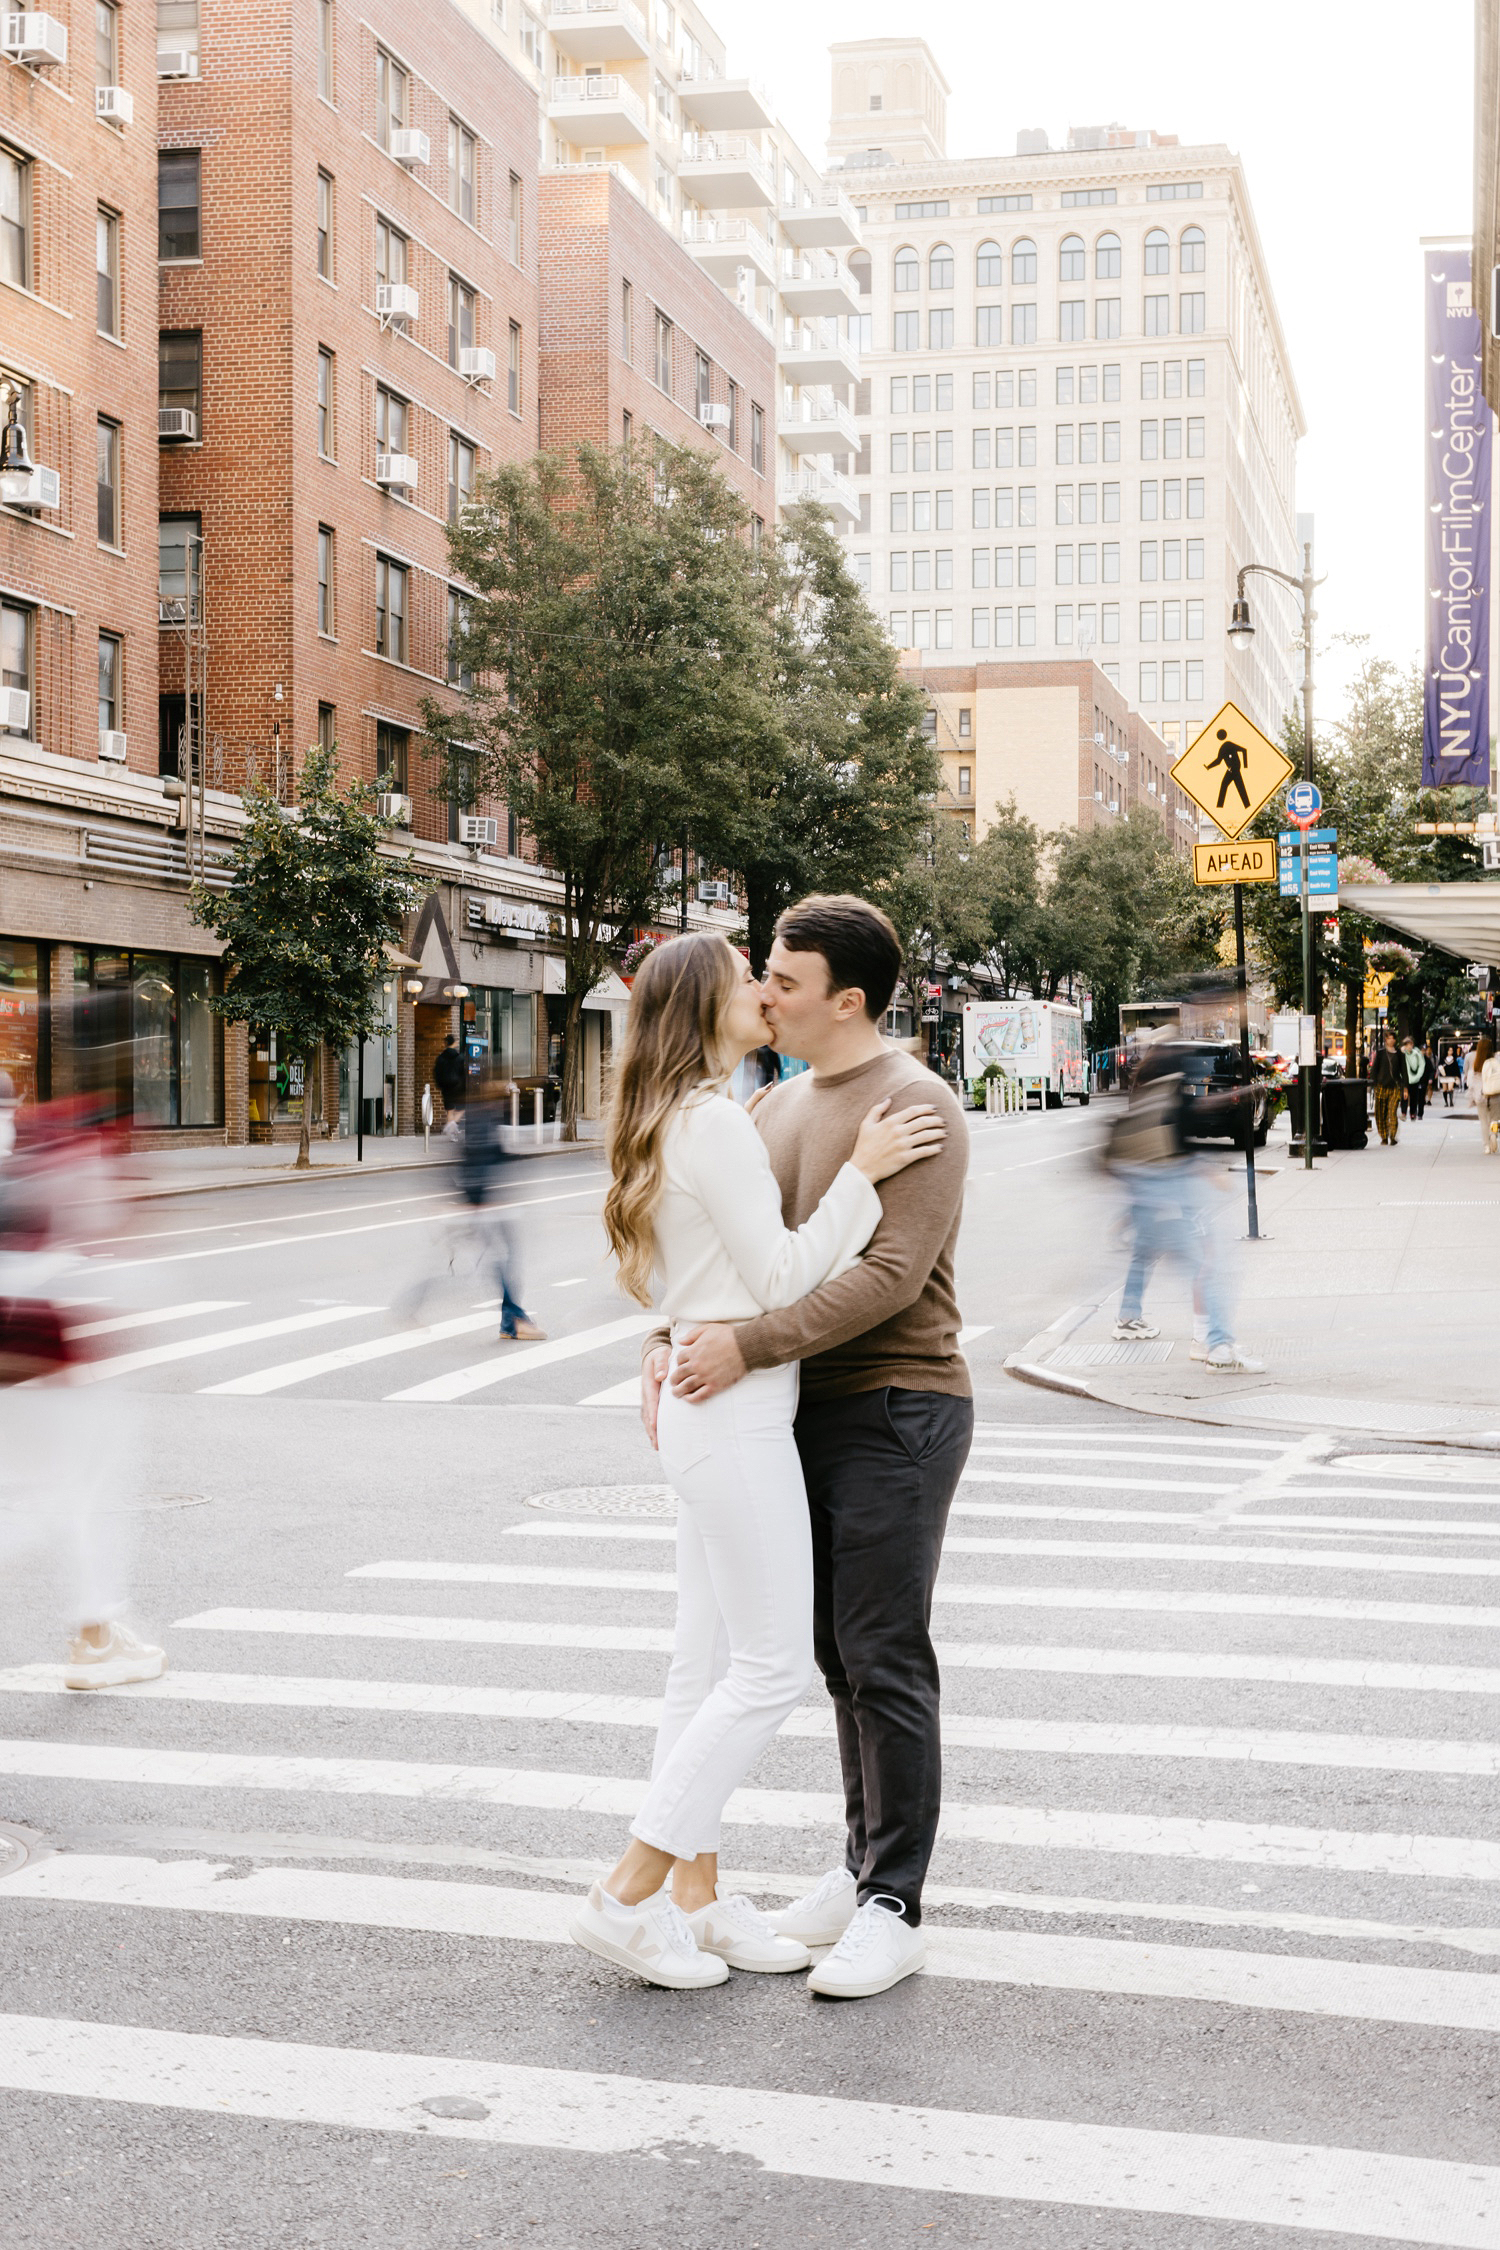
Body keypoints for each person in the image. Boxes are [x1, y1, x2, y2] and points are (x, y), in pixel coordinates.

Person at [571, 928, 945, 1994]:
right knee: (773, 1665)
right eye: (749, 978)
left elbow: (682, 1281)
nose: (765, 993)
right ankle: (626, 1894)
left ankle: (698, 1900)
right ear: (707, 1007)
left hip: (713, 1409)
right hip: (734, 1412)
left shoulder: (682, 1117)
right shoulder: (716, 1124)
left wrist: (670, 1335)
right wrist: (863, 1179)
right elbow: (781, 1277)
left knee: (703, 1663)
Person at [1108, 1040, 1262, 1373]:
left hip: (1148, 1203)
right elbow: (1189, 1124)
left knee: (1154, 1257)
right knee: (1212, 1267)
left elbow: (1125, 1154)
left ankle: (1132, 1315)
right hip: (1174, 1202)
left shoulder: (1142, 1099)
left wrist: (1127, 1214)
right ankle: (1214, 1344)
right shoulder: (1171, 1099)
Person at [459, 1067, 546, 1340]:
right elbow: (479, 1160)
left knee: (501, 1259)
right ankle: (514, 1319)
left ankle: (511, 1321)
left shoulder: (484, 1116)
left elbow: (488, 1156)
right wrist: (480, 1201)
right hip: (485, 1205)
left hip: (486, 1203)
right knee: (502, 1260)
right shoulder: (483, 1118)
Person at [1371, 1031, 1405, 1145]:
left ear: (1395, 1040)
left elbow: (1403, 1071)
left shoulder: (1399, 1054)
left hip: (1394, 1086)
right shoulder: (1380, 1054)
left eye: (1392, 1038)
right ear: (1386, 1040)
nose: (1391, 1040)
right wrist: (1374, 1084)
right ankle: (1384, 1136)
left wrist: (1405, 1087)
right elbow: (1374, 1069)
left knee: (1392, 1111)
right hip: (1381, 1085)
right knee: (1381, 1113)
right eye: (1388, 1038)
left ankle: (1393, 1136)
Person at [432, 1034, 467, 1131]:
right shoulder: (459, 1057)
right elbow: (463, 1073)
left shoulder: (441, 1058)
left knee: (450, 1110)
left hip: (446, 1087)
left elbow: (437, 1072)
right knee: (461, 1109)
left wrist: (440, 1084)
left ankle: (451, 1130)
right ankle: (452, 1125)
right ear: (455, 1043)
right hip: (458, 1087)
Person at [1439, 1043, 1463, 1109]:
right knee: (1444, 1089)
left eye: (1451, 1050)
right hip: (1444, 1076)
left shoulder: (1454, 1059)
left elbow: (1456, 1068)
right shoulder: (1442, 1059)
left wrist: (1458, 1076)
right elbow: (1439, 1066)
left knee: (1450, 1088)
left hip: (1451, 1076)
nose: (1450, 1052)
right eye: (1449, 1050)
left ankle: (1451, 1101)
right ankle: (1446, 1102)